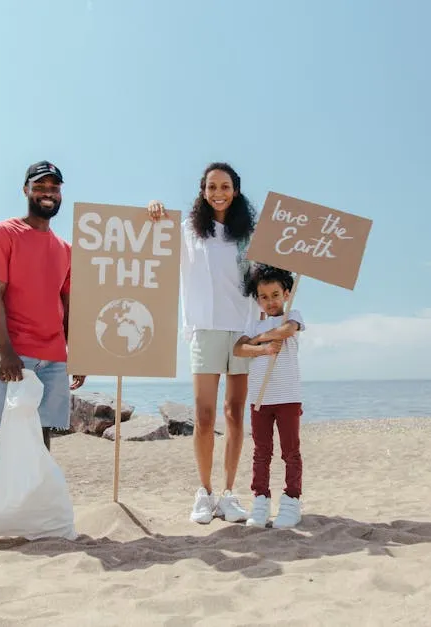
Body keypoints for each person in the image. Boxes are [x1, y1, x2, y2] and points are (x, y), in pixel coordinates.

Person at [0, 160, 86, 556]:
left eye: (55, 187)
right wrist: (7, 351)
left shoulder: (65, 249)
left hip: (53, 357)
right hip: (10, 354)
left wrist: (76, 354)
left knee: (40, 438)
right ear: (26, 190)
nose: (48, 192)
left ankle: (33, 517)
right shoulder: (2, 234)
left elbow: (68, 304)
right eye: (40, 185)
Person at [147, 162, 257, 524]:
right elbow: (155, 239)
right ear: (202, 190)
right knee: (205, 417)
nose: (218, 193)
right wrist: (155, 210)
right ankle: (205, 491)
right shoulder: (188, 232)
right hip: (204, 330)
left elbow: (268, 276)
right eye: (211, 187)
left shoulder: (250, 235)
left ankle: (228, 493)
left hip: (242, 330)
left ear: (236, 190)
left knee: (235, 415)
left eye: (225, 186)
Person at [233, 263, 304, 529]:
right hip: (260, 399)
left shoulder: (292, 314)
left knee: (290, 452)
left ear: (286, 293)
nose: (270, 301)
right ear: (257, 299)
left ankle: (292, 500)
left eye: (275, 295)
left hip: (287, 397)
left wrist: (258, 339)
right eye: (264, 297)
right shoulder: (252, 323)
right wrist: (262, 348)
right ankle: (260, 500)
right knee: (262, 452)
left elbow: (286, 331)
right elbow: (239, 349)